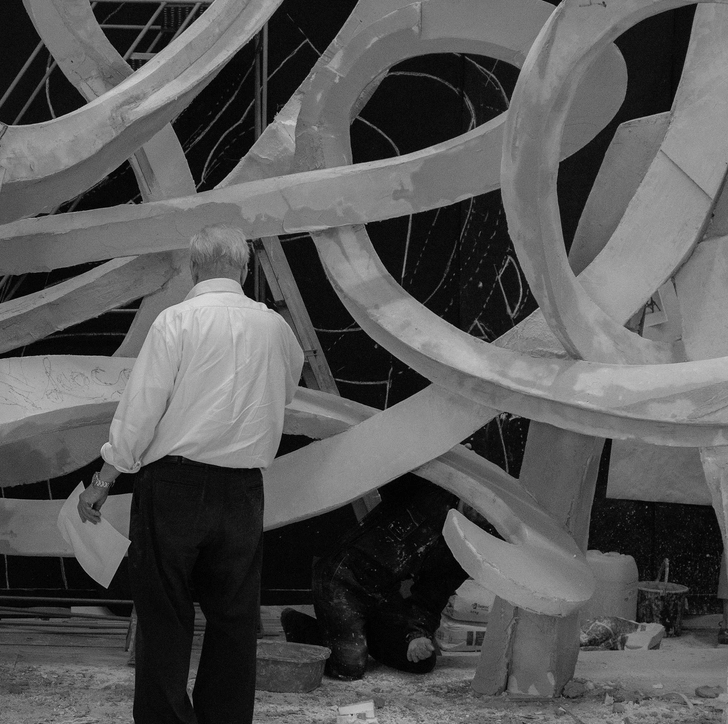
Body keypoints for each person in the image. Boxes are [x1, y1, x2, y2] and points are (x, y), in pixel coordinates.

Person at [77, 225, 302, 724]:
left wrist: (104, 479)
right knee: (234, 619)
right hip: (242, 488)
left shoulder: (175, 322)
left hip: (174, 486)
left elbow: (141, 410)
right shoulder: (276, 329)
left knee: (165, 616)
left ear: (194, 267)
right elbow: (284, 393)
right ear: (244, 269)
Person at [279, 476, 468, 680]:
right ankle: (299, 624)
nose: (479, 513)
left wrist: (417, 635)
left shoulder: (464, 549)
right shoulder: (429, 489)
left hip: (383, 594)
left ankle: (354, 634)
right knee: (348, 668)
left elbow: (429, 600)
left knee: (420, 660)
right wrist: (441, 464)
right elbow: (393, 465)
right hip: (342, 579)